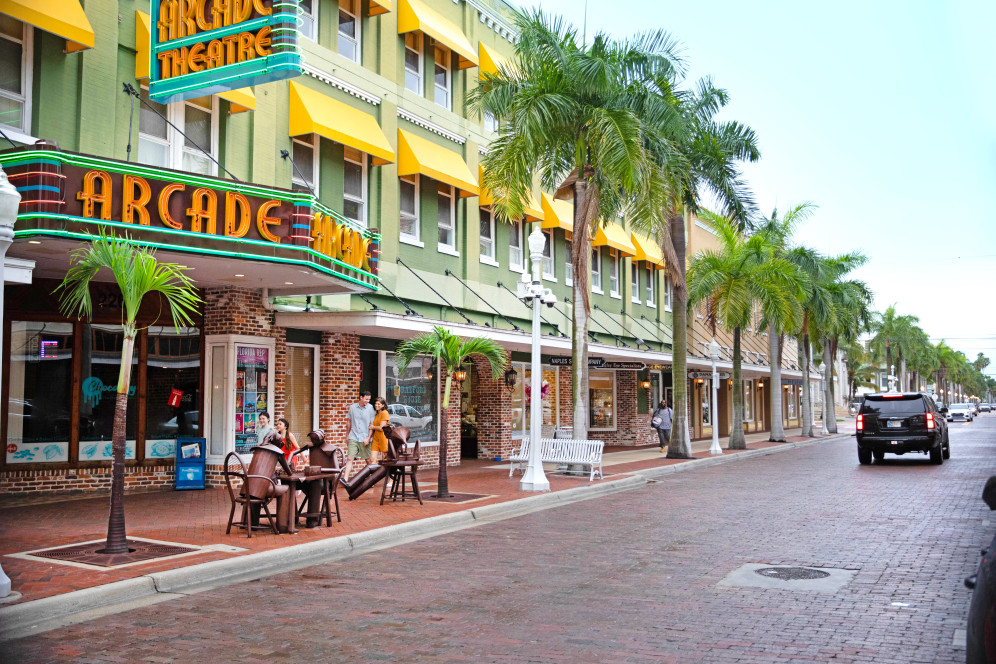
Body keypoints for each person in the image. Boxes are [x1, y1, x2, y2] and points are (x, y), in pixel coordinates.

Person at [344, 391, 374, 481]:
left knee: (368, 460)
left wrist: (368, 438)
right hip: (353, 436)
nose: (368, 401)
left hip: (365, 437)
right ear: (361, 397)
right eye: (366, 399)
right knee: (350, 458)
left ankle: (372, 479)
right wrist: (347, 435)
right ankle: (345, 479)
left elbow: (371, 425)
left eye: (369, 399)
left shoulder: (371, 408)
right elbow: (349, 422)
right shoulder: (352, 407)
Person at [369, 397, 390, 465]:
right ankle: (373, 471)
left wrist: (373, 427)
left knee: (386, 458)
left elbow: (381, 428)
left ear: (383, 405)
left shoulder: (385, 413)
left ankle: (387, 471)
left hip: (383, 437)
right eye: (376, 403)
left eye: (379, 404)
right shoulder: (377, 414)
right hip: (376, 438)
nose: (376, 405)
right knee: (372, 459)